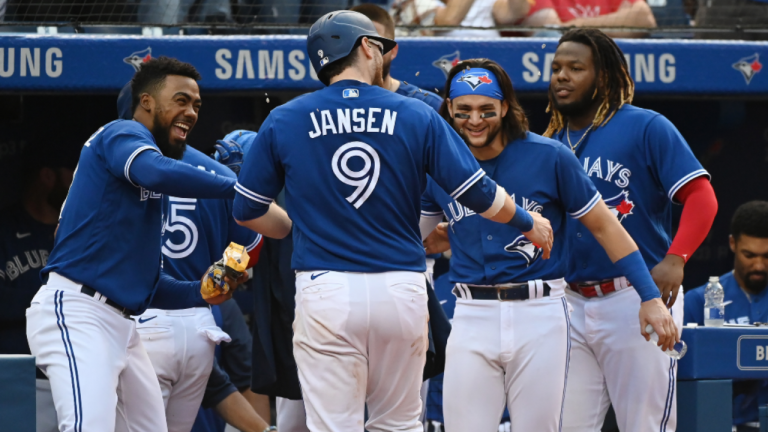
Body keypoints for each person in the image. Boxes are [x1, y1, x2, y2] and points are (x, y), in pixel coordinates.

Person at [233, 10, 553, 431]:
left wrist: (291, 226)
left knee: (333, 425)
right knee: (398, 424)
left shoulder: (286, 117)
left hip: (325, 286)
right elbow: (478, 193)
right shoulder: (414, 112)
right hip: (399, 287)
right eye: (378, 46)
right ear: (366, 47)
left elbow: (247, 210)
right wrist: (528, 222)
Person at [420, 57, 681, 431]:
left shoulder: (549, 155)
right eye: (463, 110)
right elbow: (412, 235)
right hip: (472, 312)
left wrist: (649, 297)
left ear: (506, 107)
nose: (474, 120)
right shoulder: (441, 165)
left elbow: (607, 228)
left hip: (539, 311)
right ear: (449, 108)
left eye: (486, 110)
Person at [25, 56, 247, 432]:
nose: (191, 112)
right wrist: (239, 188)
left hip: (123, 322)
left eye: (196, 105)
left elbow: (147, 284)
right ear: (145, 102)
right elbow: (153, 170)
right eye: (180, 100)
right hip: (78, 310)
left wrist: (201, 292)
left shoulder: (147, 193)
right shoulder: (120, 133)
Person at [543, 29, 718, 432]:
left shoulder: (646, 126)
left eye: (575, 68)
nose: (561, 77)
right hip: (568, 301)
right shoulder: (549, 140)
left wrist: (677, 258)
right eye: (556, 68)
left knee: (644, 425)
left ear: (602, 77)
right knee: (562, 424)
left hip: (634, 299)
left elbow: (702, 197)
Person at [0, 144, 77, 432]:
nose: (76, 183)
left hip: (71, 371)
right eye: (71, 174)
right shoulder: (5, 230)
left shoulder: (77, 233)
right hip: (16, 373)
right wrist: (50, 301)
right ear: (48, 176)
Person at [685, 201, 768, 431]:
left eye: (767, 256)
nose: (759, 265)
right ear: (733, 243)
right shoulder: (699, 300)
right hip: (719, 422)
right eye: (749, 255)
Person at [390, 0, 531, 38]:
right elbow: (449, 20)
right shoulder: (407, 2)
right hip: (438, 69)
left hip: (488, 61)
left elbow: (513, 13)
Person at [522, 0, 657, 38]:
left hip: (610, 73)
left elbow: (643, 19)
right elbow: (551, 32)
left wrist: (573, 26)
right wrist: (613, 24)